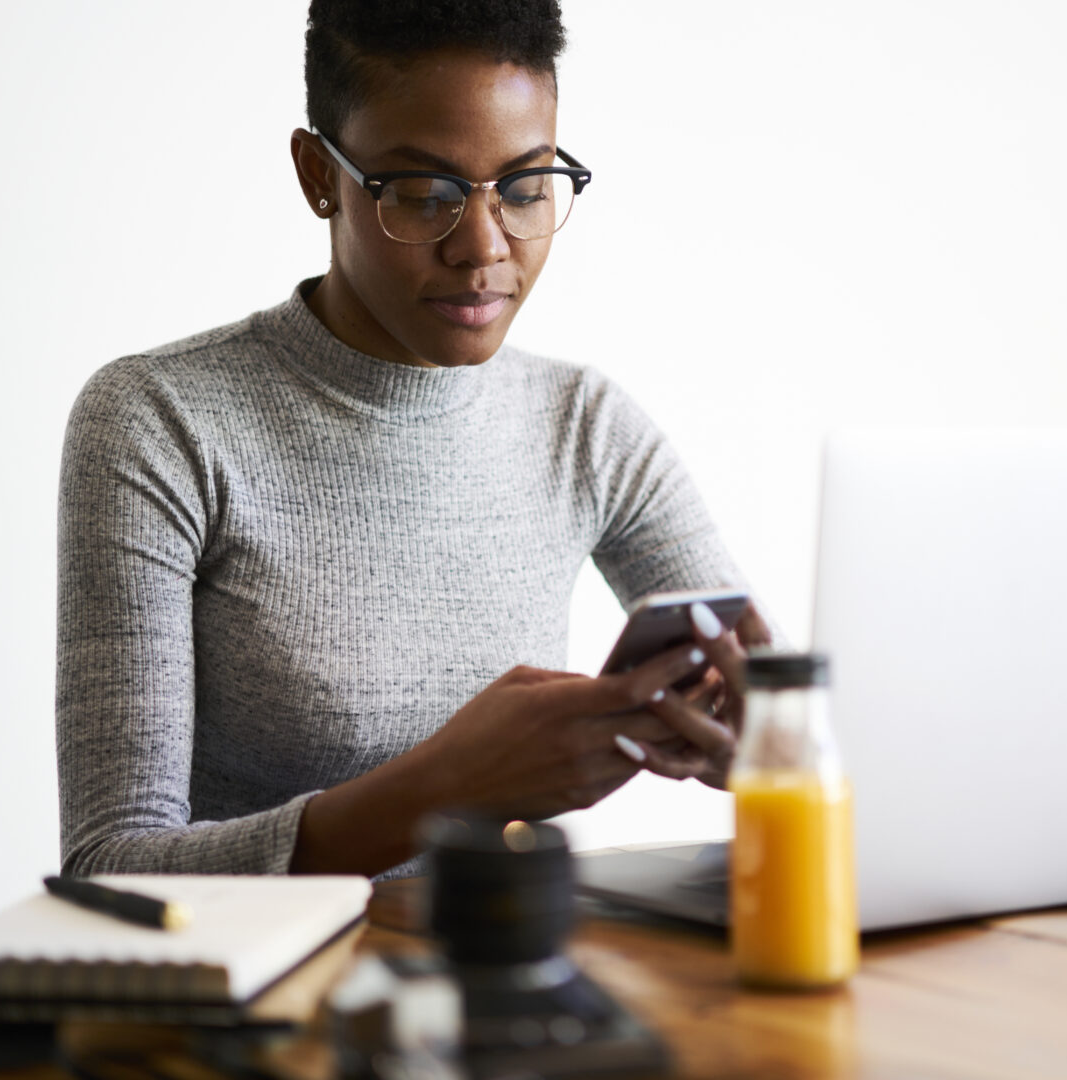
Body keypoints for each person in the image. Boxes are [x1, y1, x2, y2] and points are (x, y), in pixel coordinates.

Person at [56, 0, 770, 879]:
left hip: (504, 978)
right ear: (319, 173)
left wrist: (768, 750)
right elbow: (109, 869)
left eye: (524, 187)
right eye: (425, 194)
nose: (482, 248)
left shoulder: (586, 427)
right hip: (269, 999)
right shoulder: (160, 423)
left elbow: (773, 712)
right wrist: (445, 789)